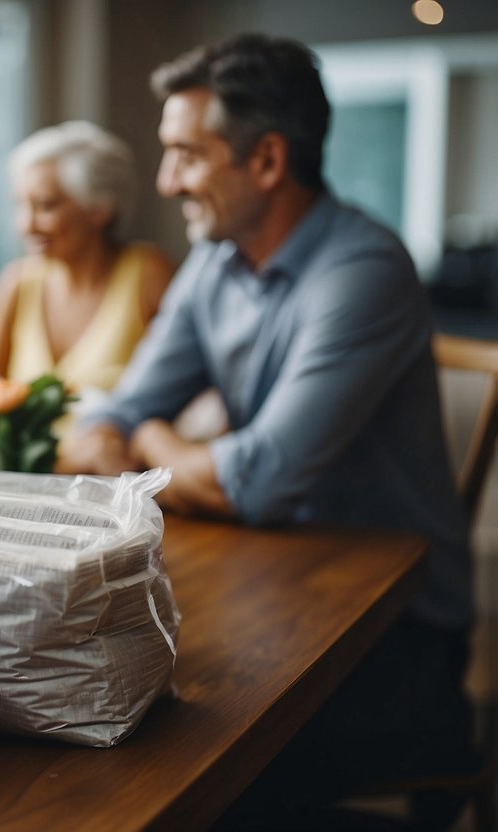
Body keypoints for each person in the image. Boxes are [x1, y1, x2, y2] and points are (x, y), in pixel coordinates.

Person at [58, 34, 477, 828]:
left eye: (185, 154)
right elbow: (99, 420)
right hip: (272, 589)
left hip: (396, 642)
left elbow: (257, 480)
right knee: (82, 702)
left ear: (267, 161)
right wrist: (147, 433)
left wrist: (148, 438)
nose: (165, 180)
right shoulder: (217, 263)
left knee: (169, 759)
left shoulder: (364, 273)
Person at [0, 120, 175, 394]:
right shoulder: (17, 282)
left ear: (99, 208)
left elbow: (184, 388)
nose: (26, 225)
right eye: (20, 205)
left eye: (45, 205)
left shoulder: (148, 274)